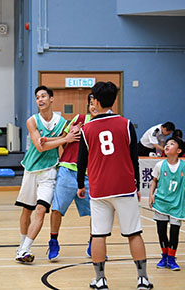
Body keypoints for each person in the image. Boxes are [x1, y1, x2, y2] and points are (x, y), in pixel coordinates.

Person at [77, 81, 153, 290]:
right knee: (134, 233)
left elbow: (81, 161)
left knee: (98, 234)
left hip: (100, 188)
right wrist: (136, 186)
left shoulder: (87, 128)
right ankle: (143, 279)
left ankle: (100, 280)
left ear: (96, 100)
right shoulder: (126, 124)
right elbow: (133, 158)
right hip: (125, 187)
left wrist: (79, 185)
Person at [15, 86, 80, 263]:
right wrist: (62, 139)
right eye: (37, 97)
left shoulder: (62, 123)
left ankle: (25, 249)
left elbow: (66, 141)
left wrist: (63, 139)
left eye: (43, 96)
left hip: (50, 170)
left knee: (41, 209)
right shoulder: (32, 121)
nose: (40, 100)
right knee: (26, 210)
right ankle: (21, 246)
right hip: (31, 169)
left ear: (51, 99)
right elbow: (39, 146)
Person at [48, 93, 98, 260]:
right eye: (90, 103)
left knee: (97, 213)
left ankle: (93, 243)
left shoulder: (106, 125)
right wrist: (69, 136)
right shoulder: (79, 118)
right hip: (68, 169)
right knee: (56, 209)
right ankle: (53, 241)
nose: (93, 106)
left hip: (91, 174)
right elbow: (61, 139)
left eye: (96, 103)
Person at [149, 137, 184, 271]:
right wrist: (151, 195)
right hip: (161, 203)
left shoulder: (183, 167)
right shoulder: (160, 165)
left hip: (177, 205)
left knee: (174, 233)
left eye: (172, 144)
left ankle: (171, 258)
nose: (168, 145)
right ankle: (164, 256)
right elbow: (154, 181)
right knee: (161, 232)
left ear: (179, 151)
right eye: (167, 143)